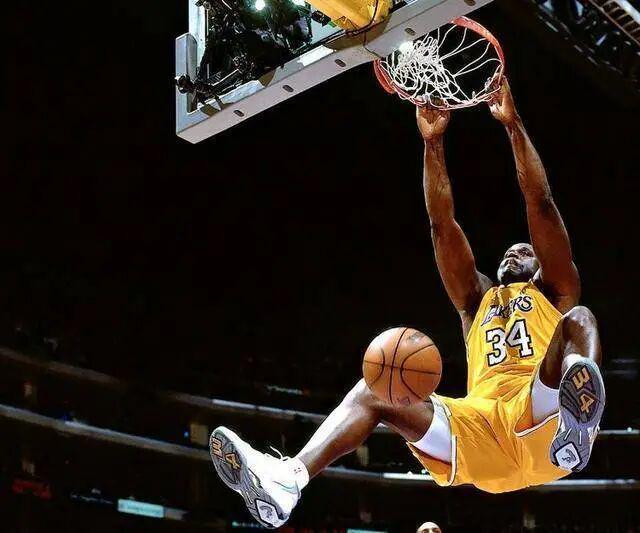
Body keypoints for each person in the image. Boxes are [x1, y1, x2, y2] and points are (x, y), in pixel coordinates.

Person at [208, 80, 605, 529]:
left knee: (580, 320)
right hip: (479, 431)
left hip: (543, 422)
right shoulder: (475, 303)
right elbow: (441, 224)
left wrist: (513, 125)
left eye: (526, 251)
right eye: (510, 250)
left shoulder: (555, 291)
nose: (516, 252)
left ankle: (579, 425)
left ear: (541, 264)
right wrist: (432, 143)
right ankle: (288, 480)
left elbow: (541, 203)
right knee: (374, 388)